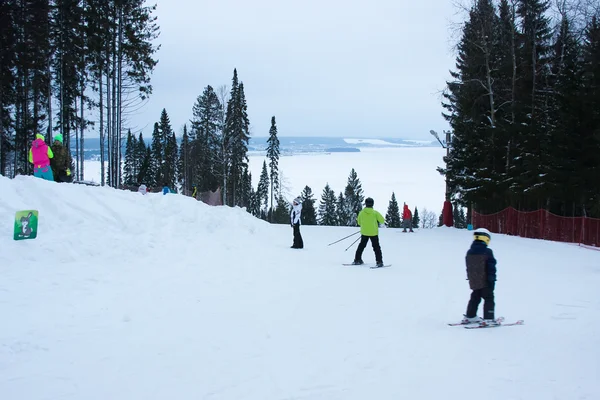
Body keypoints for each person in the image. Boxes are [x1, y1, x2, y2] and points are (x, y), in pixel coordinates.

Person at [461, 228, 498, 326]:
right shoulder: (487, 251)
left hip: (474, 280)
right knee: (489, 298)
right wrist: (491, 279)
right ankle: (489, 319)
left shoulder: (469, 252)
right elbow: (491, 267)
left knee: (475, 297)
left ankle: (470, 316)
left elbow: (469, 266)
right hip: (486, 280)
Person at [352, 197, 385, 267]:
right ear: (372, 204)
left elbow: (359, 222)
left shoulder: (361, 213)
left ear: (366, 204)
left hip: (364, 232)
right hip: (374, 233)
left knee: (361, 246)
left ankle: (357, 259)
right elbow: (382, 220)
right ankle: (379, 262)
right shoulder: (375, 213)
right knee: (376, 247)